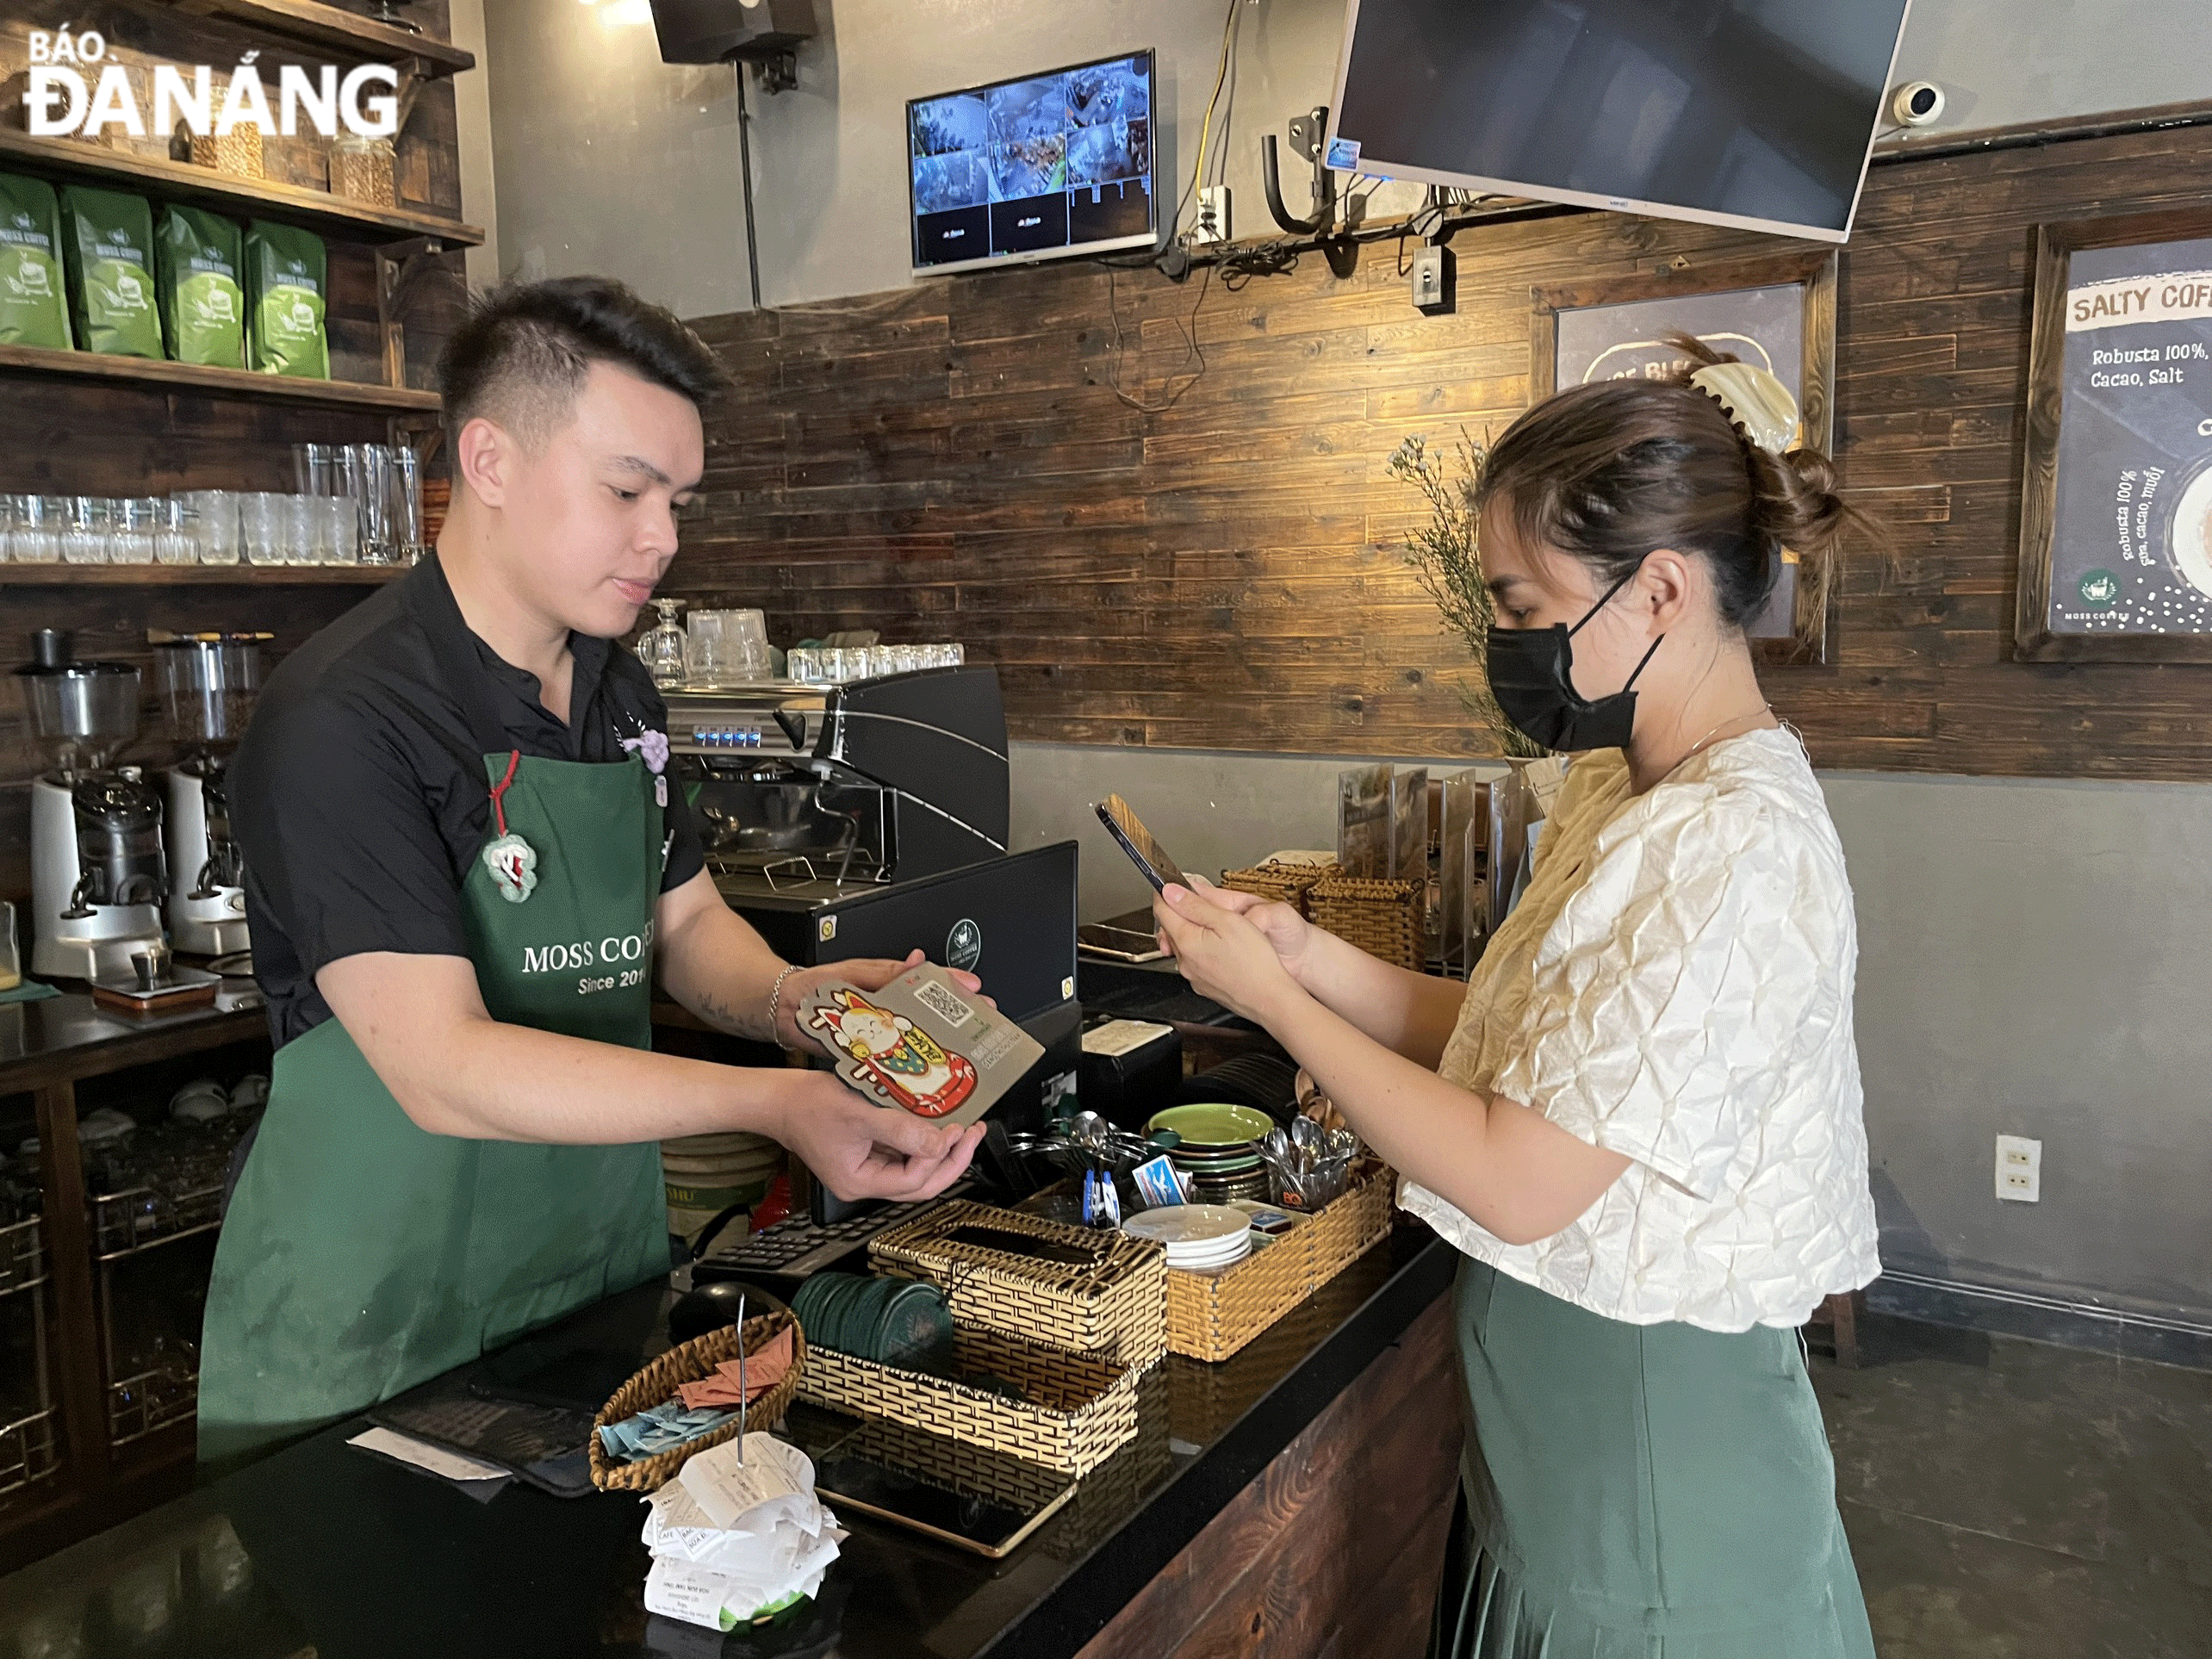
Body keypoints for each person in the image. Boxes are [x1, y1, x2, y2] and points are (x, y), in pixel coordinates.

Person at [1153, 340, 1882, 1656]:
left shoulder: (1733, 844)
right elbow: (1529, 1044)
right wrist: (1311, 961)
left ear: (1659, 589)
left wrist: (1277, 1005)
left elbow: (1524, 1176)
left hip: (1648, 1479)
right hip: (1560, 1453)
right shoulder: (1634, 788)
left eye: (1529, 610)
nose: (1507, 645)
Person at [198, 277, 985, 1465]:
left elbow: (686, 924)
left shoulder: (620, 688)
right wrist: (772, 1101)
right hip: (374, 1332)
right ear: (492, 460)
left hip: (583, 1287)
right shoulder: (345, 716)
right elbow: (444, 1068)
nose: (663, 536)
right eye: (628, 489)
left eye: (676, 498)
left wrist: (801, 1006)